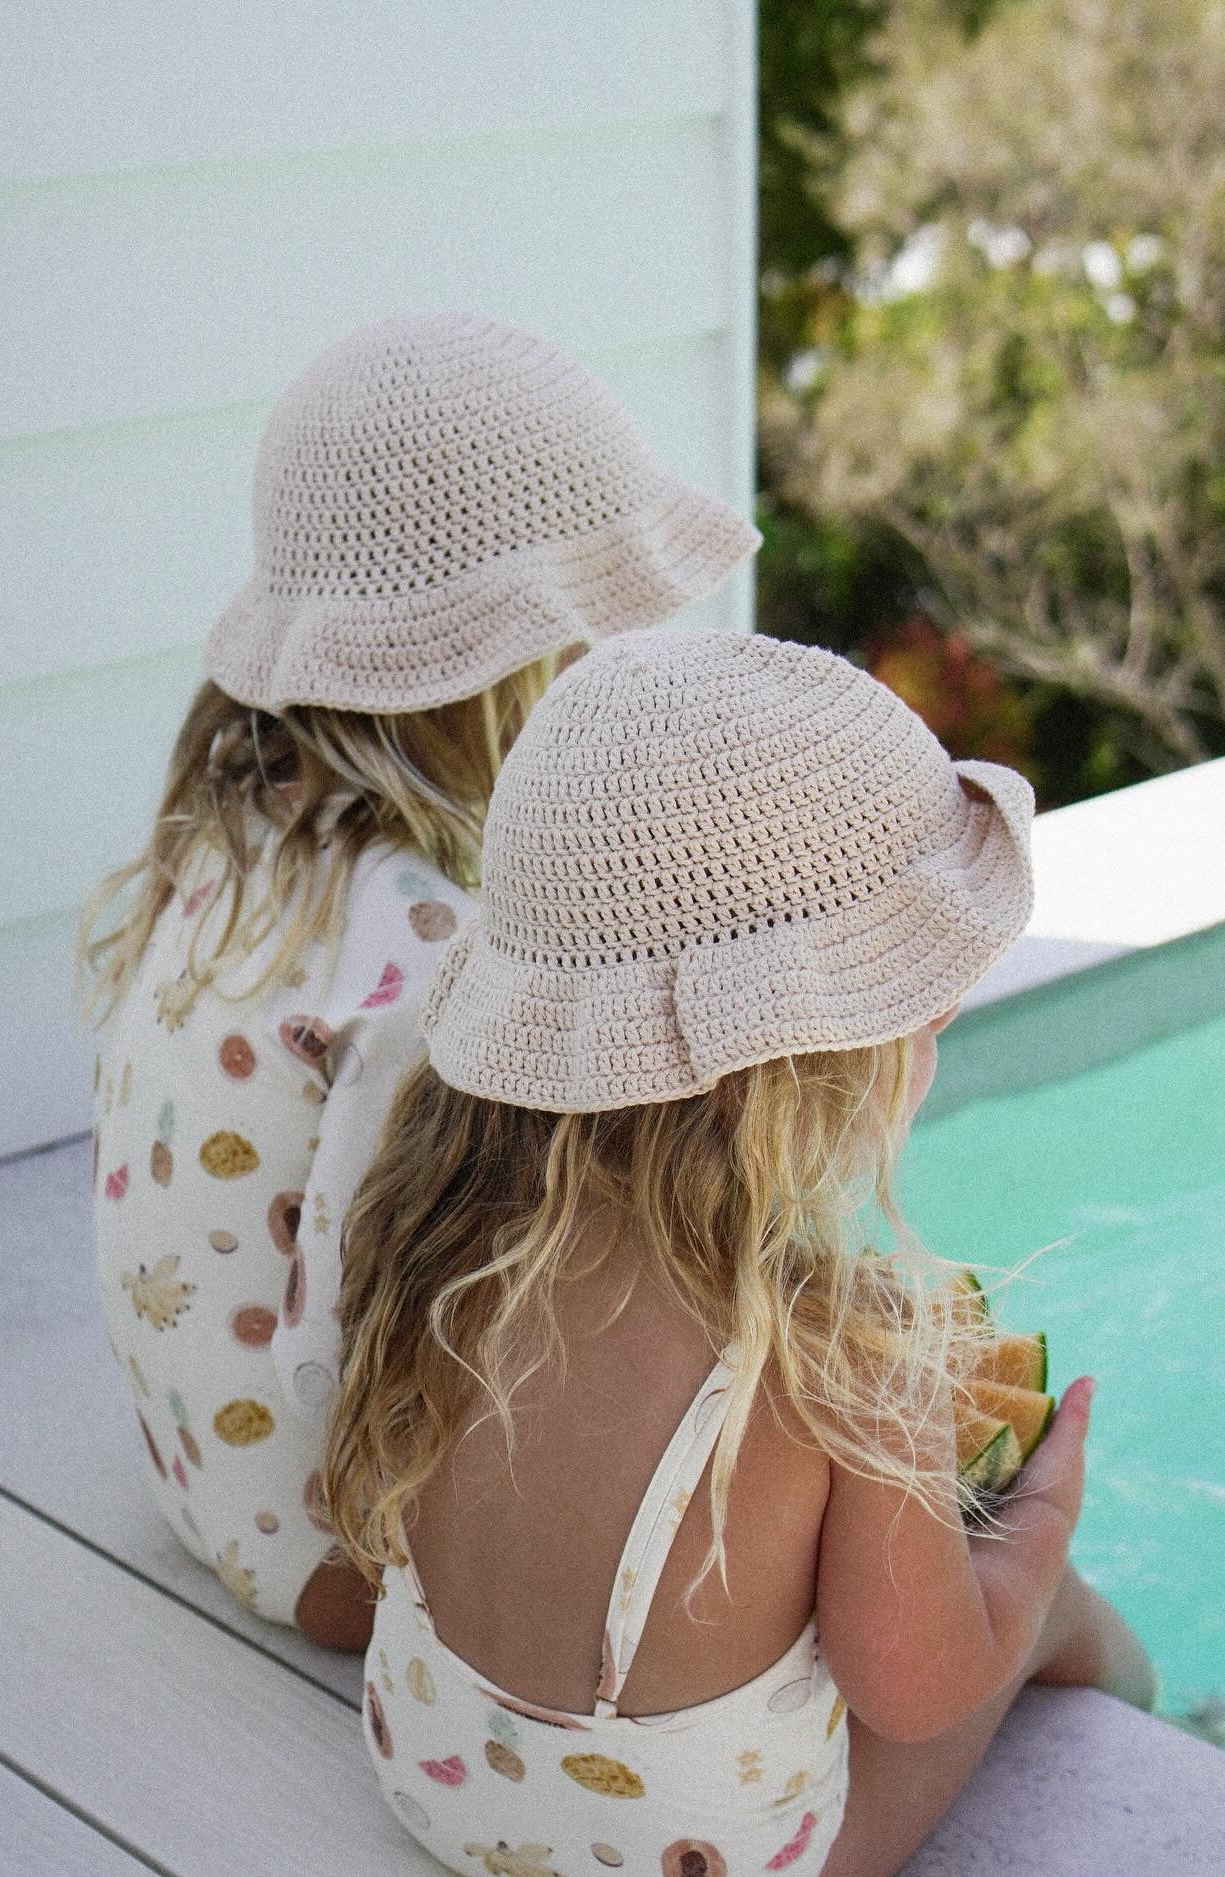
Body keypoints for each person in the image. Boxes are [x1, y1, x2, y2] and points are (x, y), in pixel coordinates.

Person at [322, 629, 1155, 1877]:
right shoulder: (834, 1361)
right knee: (1047, 1616)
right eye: (917, 996)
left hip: (426, 1773)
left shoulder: (436, 1240)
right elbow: (915, 1687)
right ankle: (1151, 1723)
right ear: (816, 1057)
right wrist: (1037, 1526)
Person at [84, 316, 757, 1642]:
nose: (592, 667)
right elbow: (360, 1332)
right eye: (572, 640)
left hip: (203, 1481)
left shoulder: (252, 815)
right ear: (495, 671)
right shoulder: (426, 948)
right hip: (347, 1556)